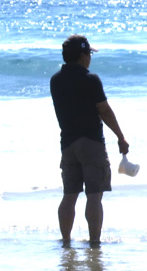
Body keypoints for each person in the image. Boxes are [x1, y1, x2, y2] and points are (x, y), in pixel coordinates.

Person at [50, 35, 130, 247]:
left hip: (67, 144)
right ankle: (94, 242)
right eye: (89, 54)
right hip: (91, 142)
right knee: (94, 195)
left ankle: (66, 242)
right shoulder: (90, 79)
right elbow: (104, 110)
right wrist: (120, 137)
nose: (90, 58)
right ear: (83, 55)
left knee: (69, 195)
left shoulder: (55, 80)